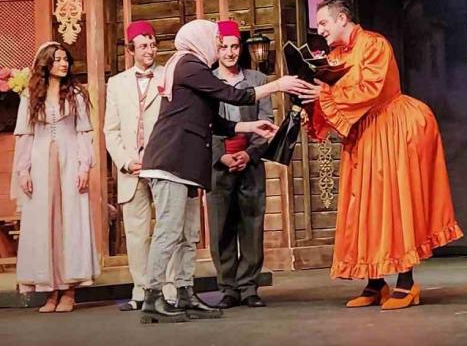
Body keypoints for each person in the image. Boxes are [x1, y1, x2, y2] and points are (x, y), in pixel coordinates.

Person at [137, 19, 313, 323]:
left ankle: (185, 293)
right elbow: (233, 95)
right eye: (216, 41)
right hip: (171, 160)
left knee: (188, 235)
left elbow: (215, 121)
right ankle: (152, 298)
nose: (218, 46)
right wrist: (278, 85)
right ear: (199, 39)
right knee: (169, 231)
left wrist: (251, 126)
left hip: (186, 165)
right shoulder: (189, 64)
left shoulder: (192, 67)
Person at [303, 0, 462, 310]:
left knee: (396, 202)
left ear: (342, 19)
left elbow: (370, 89)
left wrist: (325, 94)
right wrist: (311, 97)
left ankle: (406, 282)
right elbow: (331, 98)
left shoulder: (374, 44)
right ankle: (375, 282)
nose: (319, 30)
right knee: (365, 205)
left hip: (392, 128)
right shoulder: (335, 56)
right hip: (363, 133)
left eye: (323, 23)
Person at [104, 21, 191, 310]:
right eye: (143, 46)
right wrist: (125, 161)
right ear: (131, 50)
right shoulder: (117, 83)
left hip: (162, 162)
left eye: (152, 45)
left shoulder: (168, 75)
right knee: (136, 233)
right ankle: (141, 291)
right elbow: (111, 130)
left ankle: (167, 289)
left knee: (168, 228)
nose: (149, 50)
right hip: (132, 166)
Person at [12, 42, 100, 312]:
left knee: (70, 222)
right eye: (58, 59)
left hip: (69, 161)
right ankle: (50, 291)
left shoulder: (75, 94)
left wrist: (84, 166)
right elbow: (25, 135)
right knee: (44, 224)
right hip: (40, 163)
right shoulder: (30, 96)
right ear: (46, 63)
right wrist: (23, 170)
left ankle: (69, 290)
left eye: (65, 59)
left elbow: (84, 132)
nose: (63, 64)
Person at [207, 20, 273, 309]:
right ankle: (228, 288)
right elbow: (205, 125)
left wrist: (250, 154)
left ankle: (248, 287)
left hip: (250, 161)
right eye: (224, 47)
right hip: (219, 163)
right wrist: (220, 155)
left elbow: (267, 122)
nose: (230, 53)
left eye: (234, 47)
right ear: (217, 49)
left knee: (251, 224)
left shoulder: (257, 80)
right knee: (221, 226)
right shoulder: (208, 80)